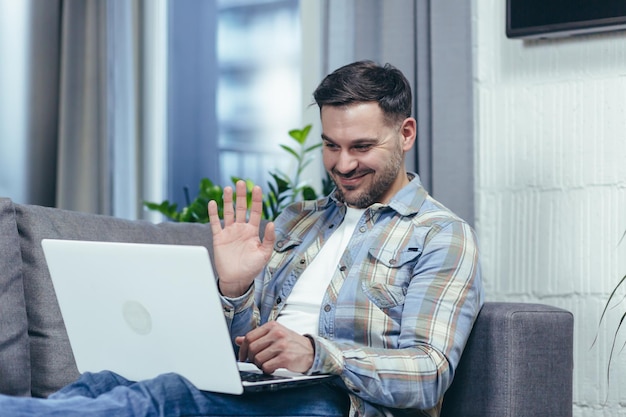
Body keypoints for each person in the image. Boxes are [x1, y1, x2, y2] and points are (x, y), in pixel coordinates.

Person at [0, 60, 483, 417]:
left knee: (158, 400)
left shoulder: (441, 235)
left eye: (361, 146)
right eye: (330, 146)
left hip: (331, 400)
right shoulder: (299, 219)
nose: (342, 164)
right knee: (105, 382)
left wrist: (318, 354)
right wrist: (235, 289)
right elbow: (243, 344)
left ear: (406, 134)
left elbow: (430, 372)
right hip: (259, 387)